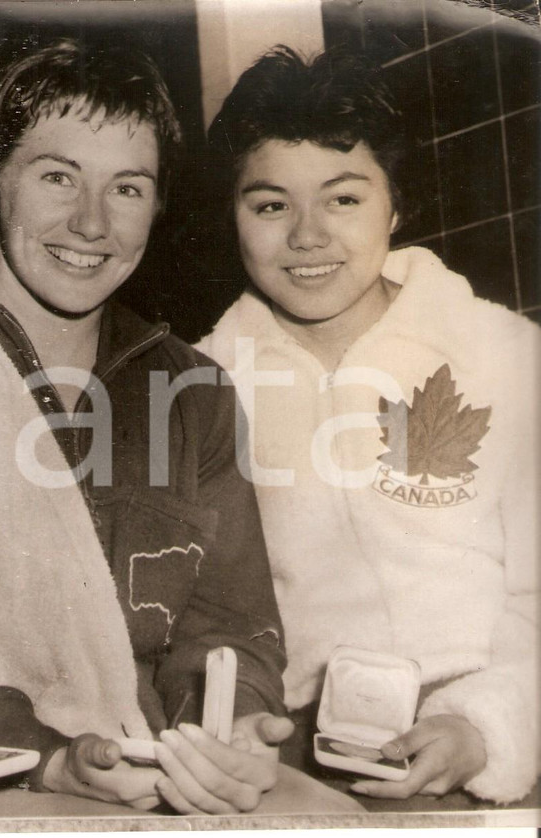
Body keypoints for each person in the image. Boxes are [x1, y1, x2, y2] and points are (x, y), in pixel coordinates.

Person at [0, 38, 361, 816]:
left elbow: (232, 624)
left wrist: (227, 730)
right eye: (56, 176)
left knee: (336, 822)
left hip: (154, 753)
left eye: (128, 188)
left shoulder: (194, 392)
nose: (91, 222)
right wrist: (49, 761)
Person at [194, 46, 538, 808]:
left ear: (396, 205)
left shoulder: (504, 354)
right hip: (303, 765)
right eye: (271, 204)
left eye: (343, 199)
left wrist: (484, 726)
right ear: (234, 218)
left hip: (498, 747)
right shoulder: (203, 388)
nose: (308, 235)